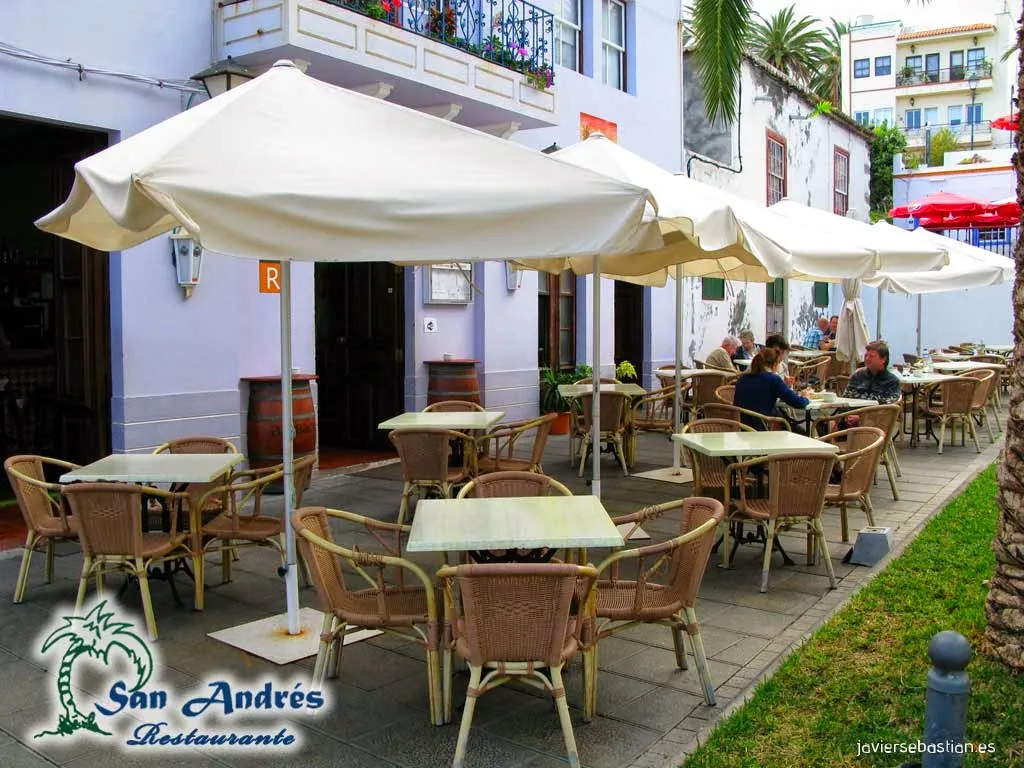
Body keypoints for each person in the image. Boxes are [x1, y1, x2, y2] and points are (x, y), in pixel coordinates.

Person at [734, 347, 810, 431]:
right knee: (801, 432)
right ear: (774, 365)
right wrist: (806, 397)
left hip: (741, 427)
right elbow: (798, 403)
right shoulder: (773, 379)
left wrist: (784, 386)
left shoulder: (743, 378)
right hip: (764, 426)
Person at [844, 340, 901, 405]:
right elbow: (846, 399)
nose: (867, 358)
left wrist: (863, 415)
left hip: (876, 415)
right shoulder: (858, 375)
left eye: (871, 356)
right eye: (866, 355)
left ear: (883, 359)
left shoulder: (892, 382)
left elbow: (887, 409)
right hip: (851, 414)